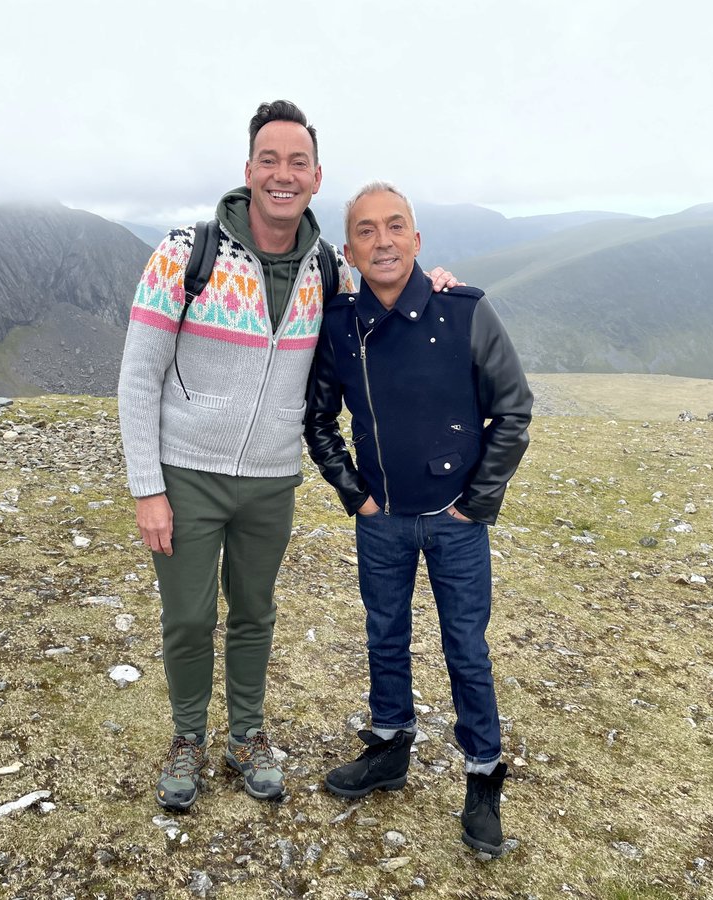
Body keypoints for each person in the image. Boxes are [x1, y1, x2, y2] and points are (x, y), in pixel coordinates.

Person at [117, 102, 457, 813]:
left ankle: (246, 735)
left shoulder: (327, 268)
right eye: (269, 160)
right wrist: (147, 487)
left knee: (255, 613)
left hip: (272, 480)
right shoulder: (187, 252)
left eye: (296, 162)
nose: (282, 174)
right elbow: (138, 373)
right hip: (187, 474)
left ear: (315, 176)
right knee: (186, 618)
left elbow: (387, 297)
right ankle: (188, 740)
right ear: (248, 171)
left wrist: (441, 289)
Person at [303, 182, 533, 855]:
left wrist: (476, 503)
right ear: (349, 250)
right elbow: (318, 420)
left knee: (467, 649)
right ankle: (390, 747)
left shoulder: (465, 310)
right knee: (384, 636)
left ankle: (484, 779)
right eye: (367, 231)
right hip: (382, 521)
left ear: (417, 240)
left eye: (395, 227)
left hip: (457, 522)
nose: (382, 241)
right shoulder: (340, 325)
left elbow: (513, 411)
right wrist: (357, 496)